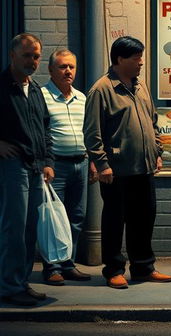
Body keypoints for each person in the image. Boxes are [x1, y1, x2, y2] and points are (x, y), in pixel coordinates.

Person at [84, 36, 171, 289]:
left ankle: (143, 268)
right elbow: (92, 132)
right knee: (114, 221)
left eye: (140, 57)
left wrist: (156, 150)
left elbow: (152, 121)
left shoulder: (140, 86)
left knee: (143, 219)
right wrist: (102, 164)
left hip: (143, 168)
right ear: (120, 59)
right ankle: (113, 270)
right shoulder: (102, 90)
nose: (141, 62)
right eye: (136, 58)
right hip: (116, 171)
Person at [0, 33, 54, 306]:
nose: (32, 61)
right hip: (12, 167)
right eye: (26, 56)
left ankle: (21, 282)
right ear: (12, 55)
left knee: (30, 228)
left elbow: (45, 128)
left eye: (36, 56)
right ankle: (9, 286)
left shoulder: (35, 90)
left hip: (35, 167)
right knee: (14, 229)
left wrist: (48, 162)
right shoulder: (2, 85)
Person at [40, 50, 96, 285]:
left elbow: (90, 133)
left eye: (72, 67)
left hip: (80, 163)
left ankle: (68, 264)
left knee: (76, 216)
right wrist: (45, 163)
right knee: (54, 218)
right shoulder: (41, 96)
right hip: (56, 167)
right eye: (63, 67)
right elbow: (41, 133)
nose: (68, 71)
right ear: (51, 70)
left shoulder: (82, 98)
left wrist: (92, 161)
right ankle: (51, 267)